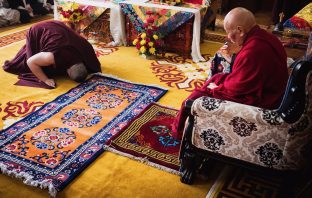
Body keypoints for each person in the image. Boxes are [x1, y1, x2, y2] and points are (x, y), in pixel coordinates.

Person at [172, 7, 289, 139]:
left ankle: (182, 134)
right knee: (217, 78)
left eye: (228, 32)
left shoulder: (253, 51)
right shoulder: (269, 37)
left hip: (264, 101)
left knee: (195, 97)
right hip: (273, 91)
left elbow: (237, 89)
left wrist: (217, 88)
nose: (228, 37)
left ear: (240, 30)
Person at [3, 20, 101, 89]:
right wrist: (45, 80)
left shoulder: (85, 49)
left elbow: (92, 60)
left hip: (58, 25)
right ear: (68, 71)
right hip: (37, 29)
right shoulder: (53, 57)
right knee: (27, 59)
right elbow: (30, 61)